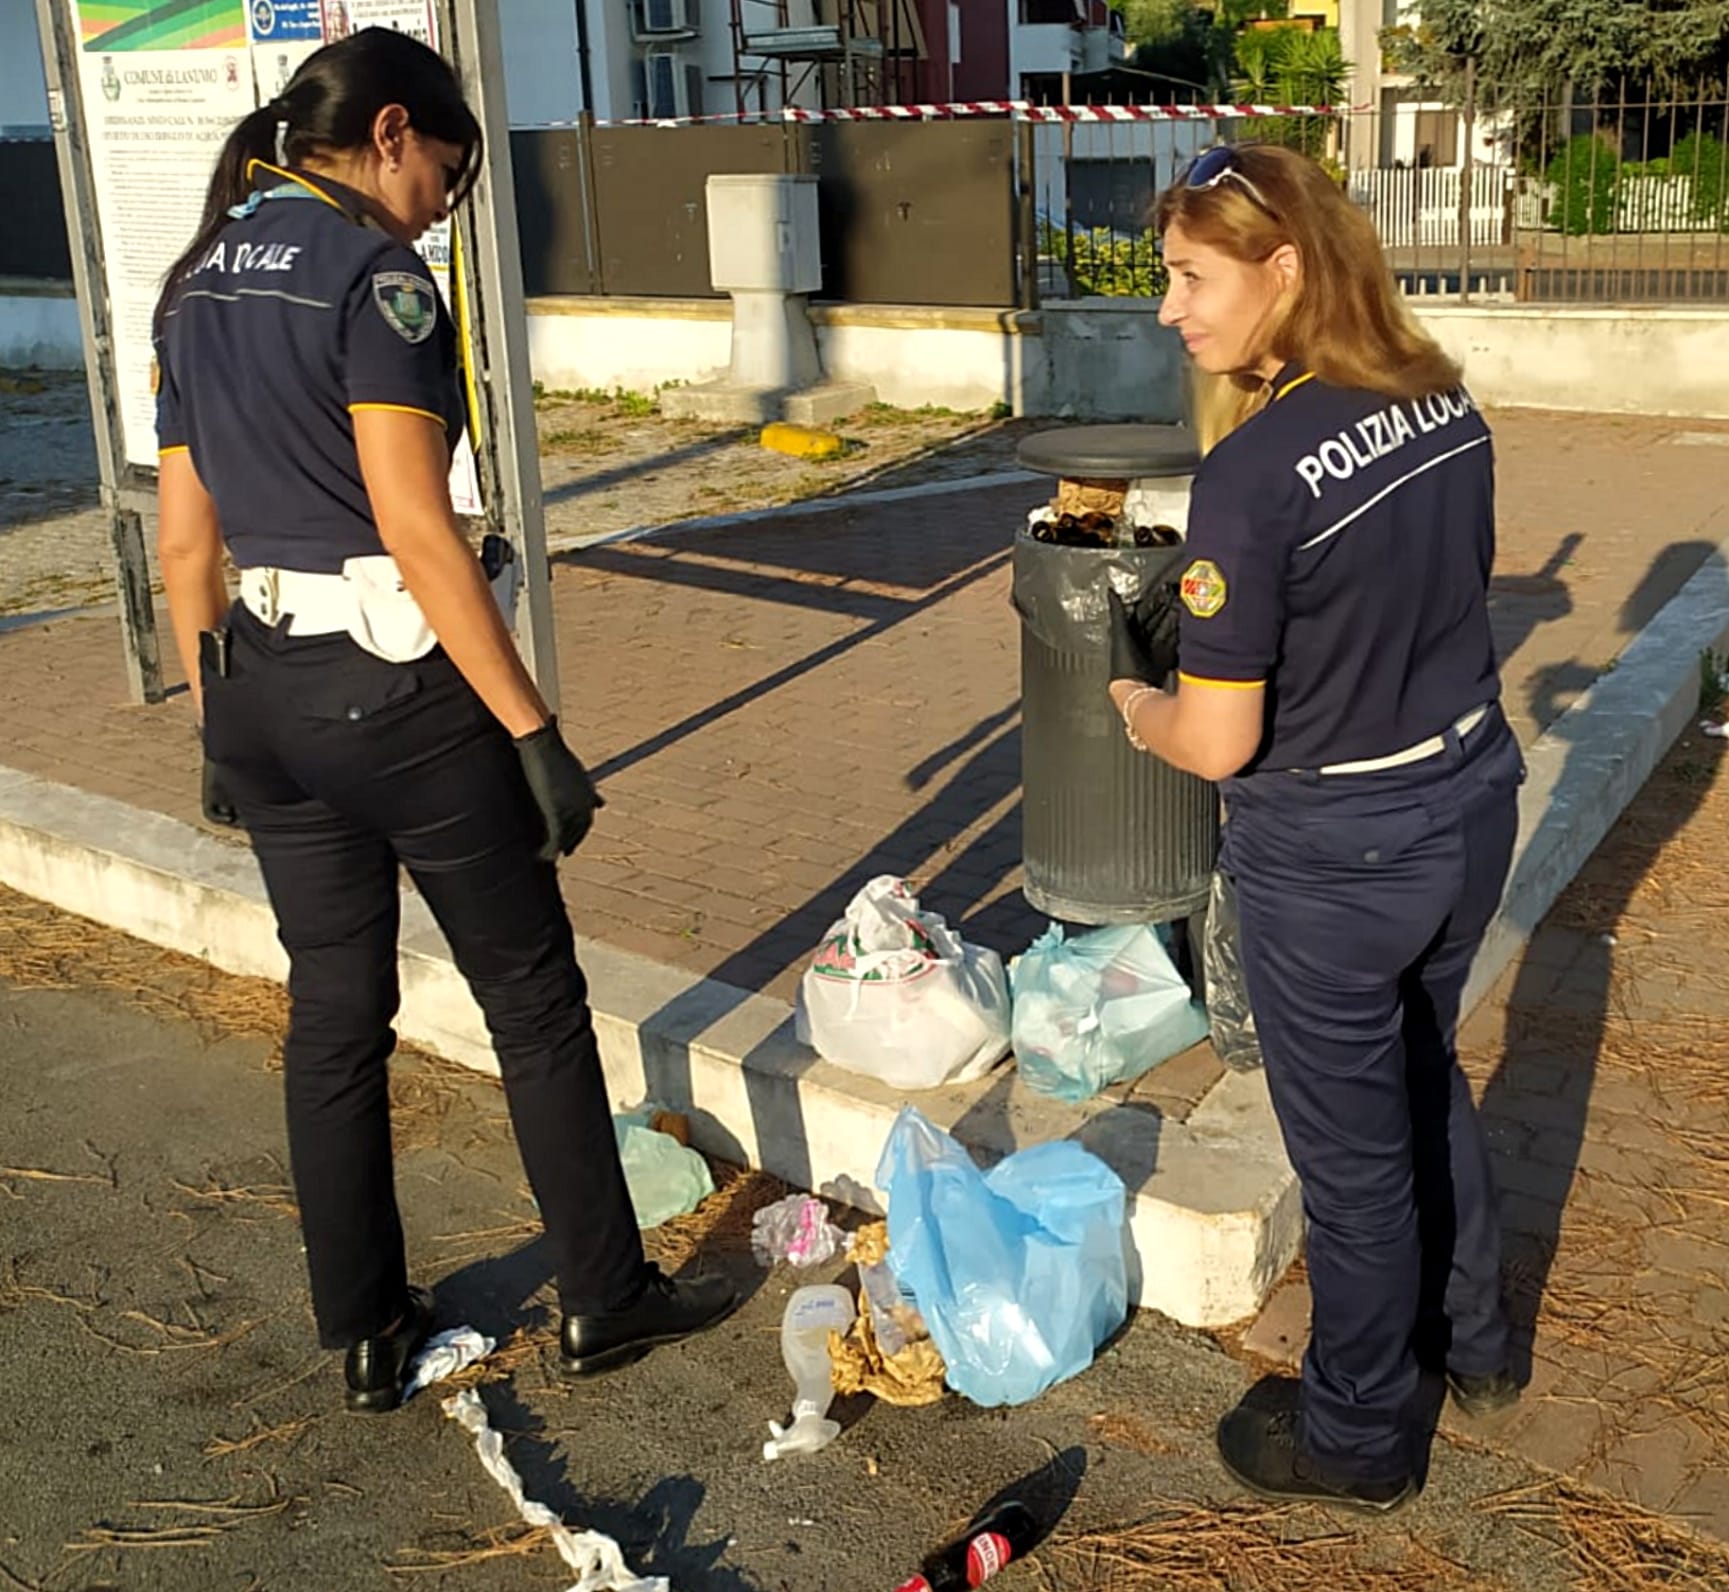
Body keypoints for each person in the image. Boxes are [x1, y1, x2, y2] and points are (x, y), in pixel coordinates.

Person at [153, 28, 735, 1413]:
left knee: (333, 1016)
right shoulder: (376, 279)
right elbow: (417, 530)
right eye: (448, 180)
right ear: (396, 131)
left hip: (260, 693)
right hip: (396, 694)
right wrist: (532, 731)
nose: (442, 209)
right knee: (531, 1002)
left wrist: (209, 723)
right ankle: (607, 1295)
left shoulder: (196, 277)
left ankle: (362, 1329)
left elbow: (187, 547)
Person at [1107, 143, 1524, 1511]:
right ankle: (1475, 1342)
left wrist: (1135, 705)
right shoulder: (1437, 398)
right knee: (1421, 1075)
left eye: (1190, 278)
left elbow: (1219, 738)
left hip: (1333, 855)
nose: (1172, 310)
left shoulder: (1255, 470)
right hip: (1464, 803)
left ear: (1284, 269)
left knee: (1351, 1168)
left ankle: (1356, 1438)